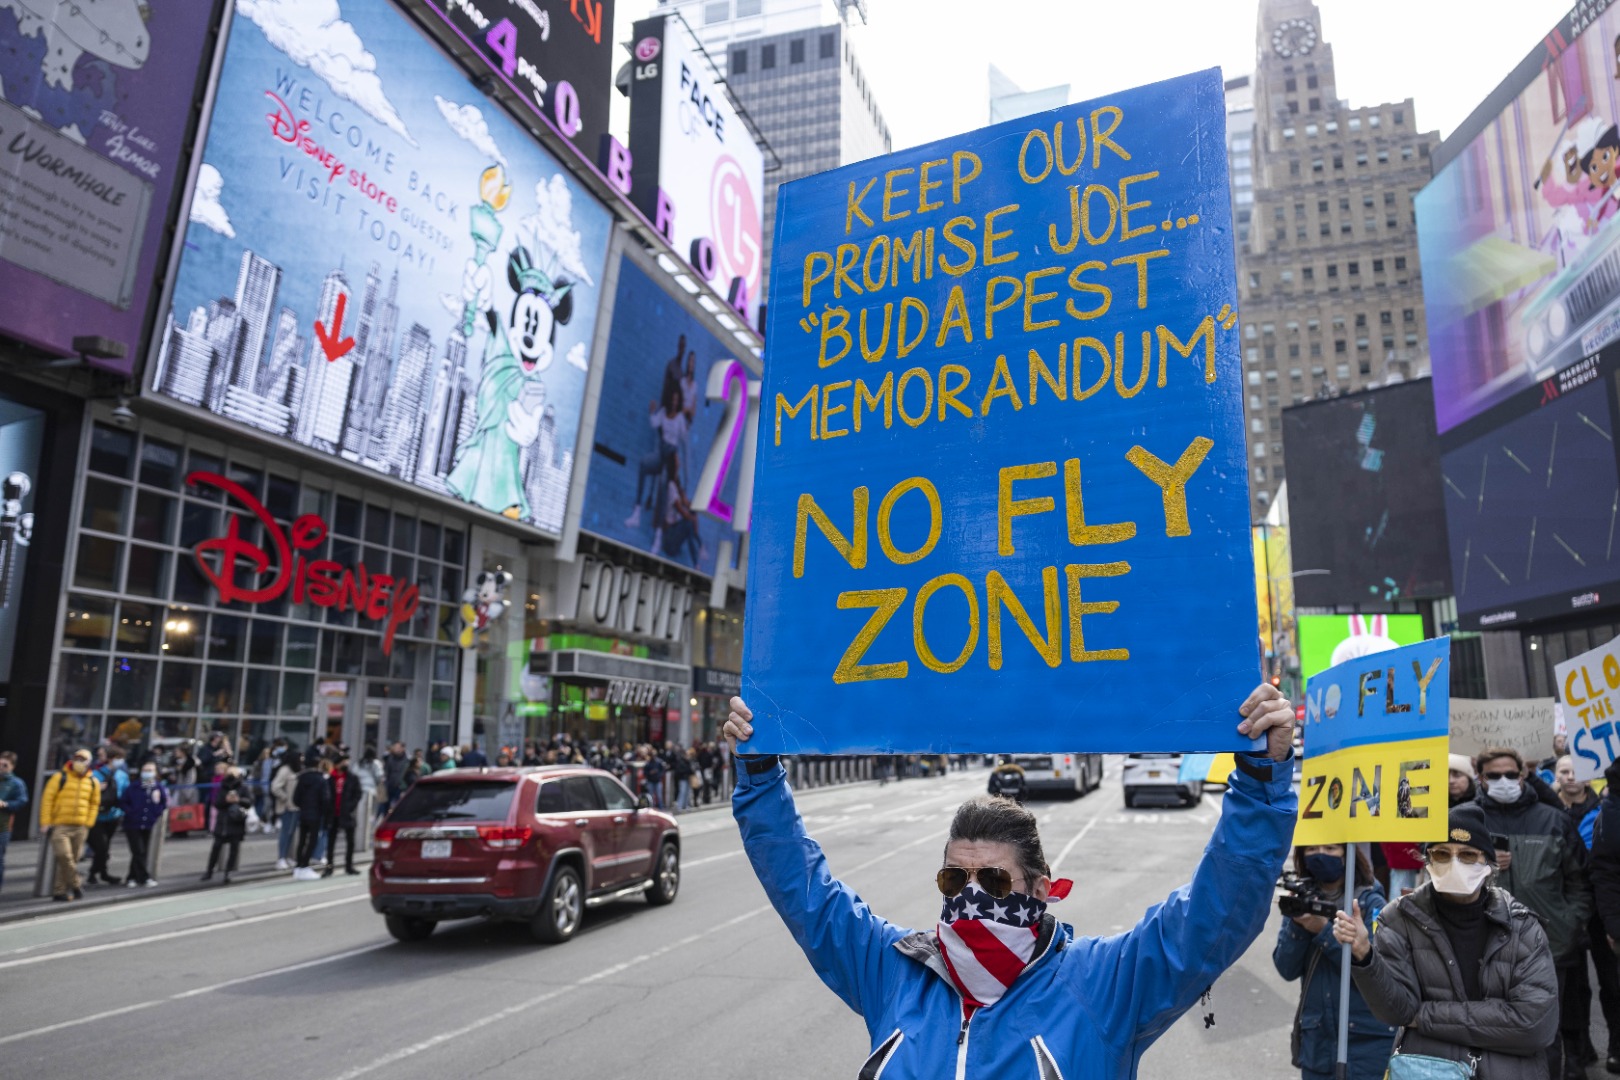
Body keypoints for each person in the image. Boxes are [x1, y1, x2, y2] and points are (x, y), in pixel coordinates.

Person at [721, 685, 1297, 1077]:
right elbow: (807, 895)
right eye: (955, 879)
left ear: (1040, 890)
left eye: (994, 881)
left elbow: (1213, 917)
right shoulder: (892, 972)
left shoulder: (1104, 983)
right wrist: (757, 776)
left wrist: (1262, 782)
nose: (970, 897)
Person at [1333, 803, 1559, 1079]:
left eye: (1467, 855)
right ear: (1427, 861)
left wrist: (1424, 1016)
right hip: (1429, 1069)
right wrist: (1365, 955)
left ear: (1488, 865)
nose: (1454, 863)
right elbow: (1398, 1010)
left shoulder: (1522, 926)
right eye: (1441, 853)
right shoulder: (1399, 918)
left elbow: (1534, 1025)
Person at [1473, 746, 1592, 1079]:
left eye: (1510, 774)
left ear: (1523, 774)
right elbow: (1446, 879)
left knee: (1545, 1033)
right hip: (1486, 947)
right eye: (1494, 775)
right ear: (1481, 778)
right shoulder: (1467, 819)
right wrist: (1484, 866)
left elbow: (1580, 881)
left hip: (1550, 945)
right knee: (1494, 1033)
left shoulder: (1552, 818)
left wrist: (1569, 925)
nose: (1504, 781)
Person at [1273, 844, 1394, 1080]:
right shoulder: (1302, 898)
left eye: (1330, 848)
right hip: (1318, 1043)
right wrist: (1298, 927)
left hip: (1366, 1044)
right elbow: (1286, 968)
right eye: (1312, 849)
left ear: (1347, 854)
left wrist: (1322, 931)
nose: (1320, 855)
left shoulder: (1370, 902)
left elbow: (1380, 972)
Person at [1555, 754, 1619, 1072]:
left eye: (1575, 770)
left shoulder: (1604, 806)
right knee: (1576, 985)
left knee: (1612, 980)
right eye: (1563, 771)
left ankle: (1616, 1046)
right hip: (1567, 908)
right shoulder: (1550, 812)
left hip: (1600, 905)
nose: (1570, 777)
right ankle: (1583, 1048)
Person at [41, 749, 100, 901]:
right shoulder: (60, 777)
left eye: (83, 760)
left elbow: (94, 804)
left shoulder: (93, 781)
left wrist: (88, 823)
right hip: (61, 825)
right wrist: (45, 822)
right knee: (64, 856)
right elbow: (47, 800)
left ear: (89, 763)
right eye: (77, 759)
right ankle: (76, 884)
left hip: (80, 827)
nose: (79, 762)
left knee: (71, 860)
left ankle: (60, 891)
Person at [120, 761, 168, 887]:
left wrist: (155, 813)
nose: (147, 773)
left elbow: (163, 803)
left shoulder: (157, 787)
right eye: (145, 770)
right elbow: (124, 801)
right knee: (138, 851)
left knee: (142, 851)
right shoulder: (134, 787)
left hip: (148, 823)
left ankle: (132, 877)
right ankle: (144, 877)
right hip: (132, 824)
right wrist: (131, 812)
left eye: (150, 770)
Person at [86, 748, 128, 886]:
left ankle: (97, 873)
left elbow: (126, 793)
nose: (120, 761)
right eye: (118, 758)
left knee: (105, 847)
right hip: (96, 817)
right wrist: (96, 789)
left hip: (113, 816)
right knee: (101, 848)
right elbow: (85, 792)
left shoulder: (122, 775)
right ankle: (97, 872)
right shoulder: (95, 774)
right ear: (110, 758)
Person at [203, 767, 250, 883]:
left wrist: (238, 800)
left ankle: (228, 872)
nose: (231, 776)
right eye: (229, 773)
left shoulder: (243, 787)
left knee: (234, 849)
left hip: (236, 822)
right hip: (223, 822)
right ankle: (209, 871)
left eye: (233, 773)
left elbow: (249, 802)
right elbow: (217, 803)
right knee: (216, 847)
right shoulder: (223, 787)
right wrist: (226, 800)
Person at [292, 755, 331, 881]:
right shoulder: (321, 780)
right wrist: (325, 813)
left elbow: (295, 798)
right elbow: (325, 799)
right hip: (316, 813)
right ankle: (304, 865)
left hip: (303, 813)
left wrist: (303, 806)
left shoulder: (302, 779)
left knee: (302, 840)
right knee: (312, 841)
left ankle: (299, 866)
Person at [325, 755, 361, 877]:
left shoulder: (352, 778)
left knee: (350, 842)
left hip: (347, 813)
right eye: (343, 762)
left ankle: (349, 866)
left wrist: (351, 806)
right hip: (333, 814)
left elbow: (357, 794)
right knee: (331, 842)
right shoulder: (331, 778)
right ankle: (329, 866)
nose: (345, 764)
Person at [0, 750, 28, 893]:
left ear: (12, 766)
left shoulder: (16, 783)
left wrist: (6, 804)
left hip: (3, 826)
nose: (1, 768)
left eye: (5, 765)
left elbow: (22, 801)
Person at [271, 750, 301, 870]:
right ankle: (281, 858)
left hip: (296, 807)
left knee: (292, 834)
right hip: (288, 807)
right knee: (286, 833)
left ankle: (288, 857)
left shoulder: (296, 770)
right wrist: (286, 798)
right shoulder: (285, 770)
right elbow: (275, 787)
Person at [382, 741, 410, 816]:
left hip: (401, 787)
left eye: (397, 747)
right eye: (394, 747)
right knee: (385, 807)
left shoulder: (407, 760)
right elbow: (386, 772)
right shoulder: (390, 758)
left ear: (403, 748)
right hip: (389, 786)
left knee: (398, 807)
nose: (395, 749)